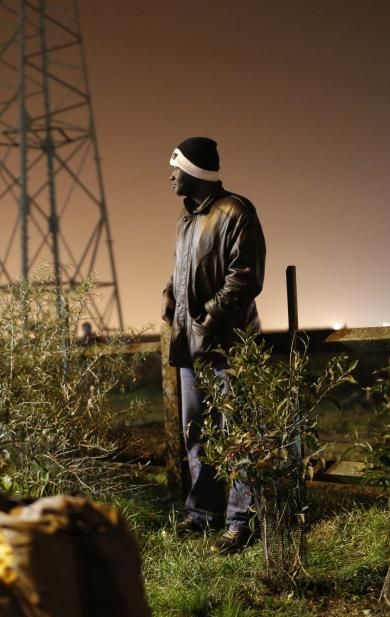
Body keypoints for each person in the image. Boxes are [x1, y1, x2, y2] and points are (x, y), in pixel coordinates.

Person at [162, 136, 266, 555]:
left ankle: (241, 522)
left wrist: (208, 315)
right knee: (196, 433)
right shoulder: (186, 222)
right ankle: (203, 513)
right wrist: (171, 297)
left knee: (237, 433)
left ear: (195, 171)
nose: (170, 177)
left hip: (228, 346)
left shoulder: (237, 211)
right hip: (190, 348)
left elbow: (246, 275)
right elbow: (183, 273)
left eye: (176, 168)